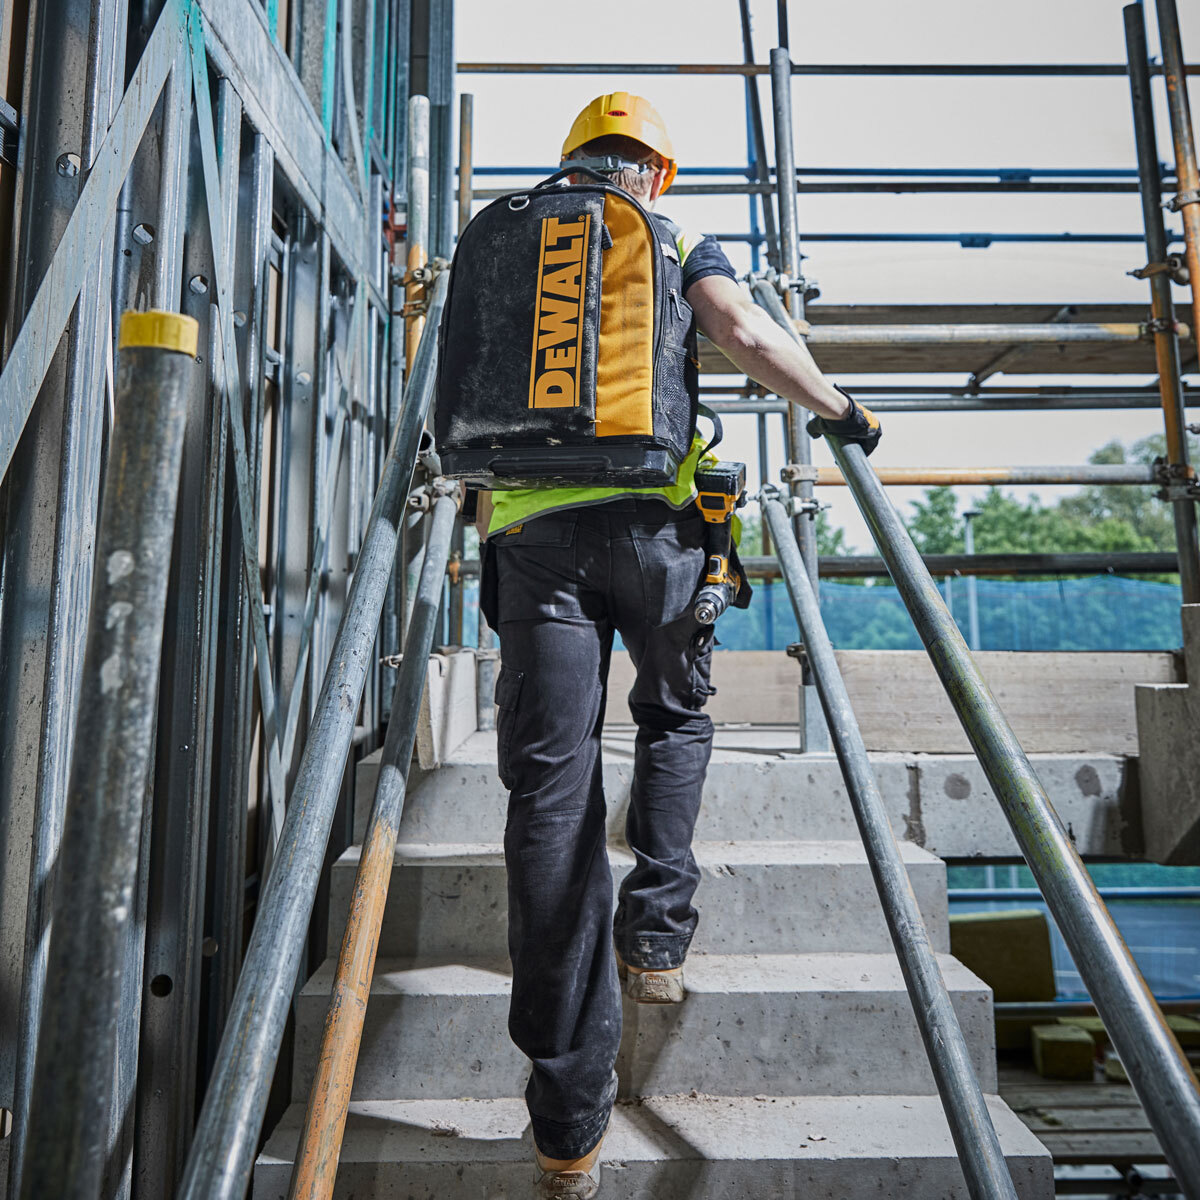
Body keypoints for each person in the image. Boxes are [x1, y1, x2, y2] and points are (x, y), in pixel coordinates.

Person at [476, 93, 882, 1199]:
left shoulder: (503, 232)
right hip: (656, 533)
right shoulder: (668, 231)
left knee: (549, 805)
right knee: (673, 714)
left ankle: (567, 1128)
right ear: (654, 169)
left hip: (531, 540)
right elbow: (746, 336)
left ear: (569, 163)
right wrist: (841, 410)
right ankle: (655, 935)